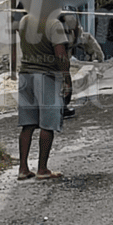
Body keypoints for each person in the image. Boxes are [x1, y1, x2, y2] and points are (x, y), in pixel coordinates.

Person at [17, 11, 70, 181]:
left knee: (28, 124)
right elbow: (61, 55)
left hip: (26, 76)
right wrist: (66, 78)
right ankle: (42, 169)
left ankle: (23, 169)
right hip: (47, 77)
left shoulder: (24, 21)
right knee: (47, 124)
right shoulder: (54, 24)